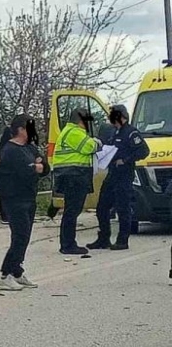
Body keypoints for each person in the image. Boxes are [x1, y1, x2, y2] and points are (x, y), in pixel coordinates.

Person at [0, 114, 50, 291]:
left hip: (29, 197)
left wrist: (39, 167)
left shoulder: (30, 148)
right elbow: (25, 171)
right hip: (14, 199)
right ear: (21, 129)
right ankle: (5, 275)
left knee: (24, 237)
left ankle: (17, 271)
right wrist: (35, 167)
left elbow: (45, 167)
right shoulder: (9, 150)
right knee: (19, 236)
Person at [88, 104, 150, 251]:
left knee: (123, 208)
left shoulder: (131, 132)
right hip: (111, 174)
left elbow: (144, 151)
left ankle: (122, 240)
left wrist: (126, 160)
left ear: (122, 116)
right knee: (102, 207)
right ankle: (104, 238)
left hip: (124, 175)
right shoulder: (114, 132)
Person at [51, 107, 102, 255]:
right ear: (81, 120)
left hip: (72, 175)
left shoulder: (70, 131)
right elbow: (89, 147)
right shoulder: (74, 132)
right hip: (73, 176)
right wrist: (97, 143)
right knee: (72, 211)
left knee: (72, 210)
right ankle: (68, 245)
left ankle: (67, 243)